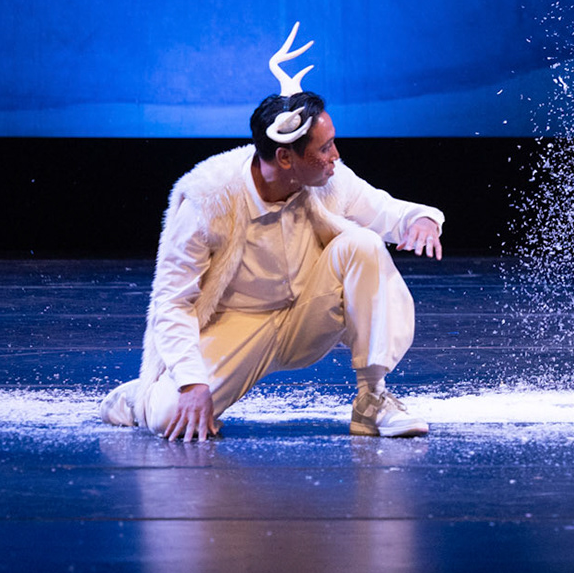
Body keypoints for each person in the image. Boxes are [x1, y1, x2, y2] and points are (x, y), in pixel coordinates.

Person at [100, 26, 445, 441]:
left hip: (306, 315)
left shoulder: (328, 178)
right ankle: (139, 398)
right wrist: (191, 382)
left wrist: (420, 220)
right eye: (325, 148)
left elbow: (381, 208)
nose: (335, 156)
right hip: (237, 324)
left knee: (363, 245)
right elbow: (173, 301)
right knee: (170, 417)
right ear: (284, 157)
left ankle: (372, 399)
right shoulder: (209, 199)